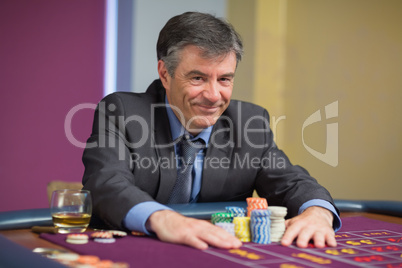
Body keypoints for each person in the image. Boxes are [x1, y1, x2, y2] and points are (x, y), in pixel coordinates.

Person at [82, 11, 341, 250]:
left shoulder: (250, 121)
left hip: (217, 253)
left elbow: (292, 182)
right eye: (198, 78)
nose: (213, 95)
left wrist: (318, 212)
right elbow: (106, 184)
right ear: (165, 74)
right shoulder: (122, 111)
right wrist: (164, 219)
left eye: (224, 79)